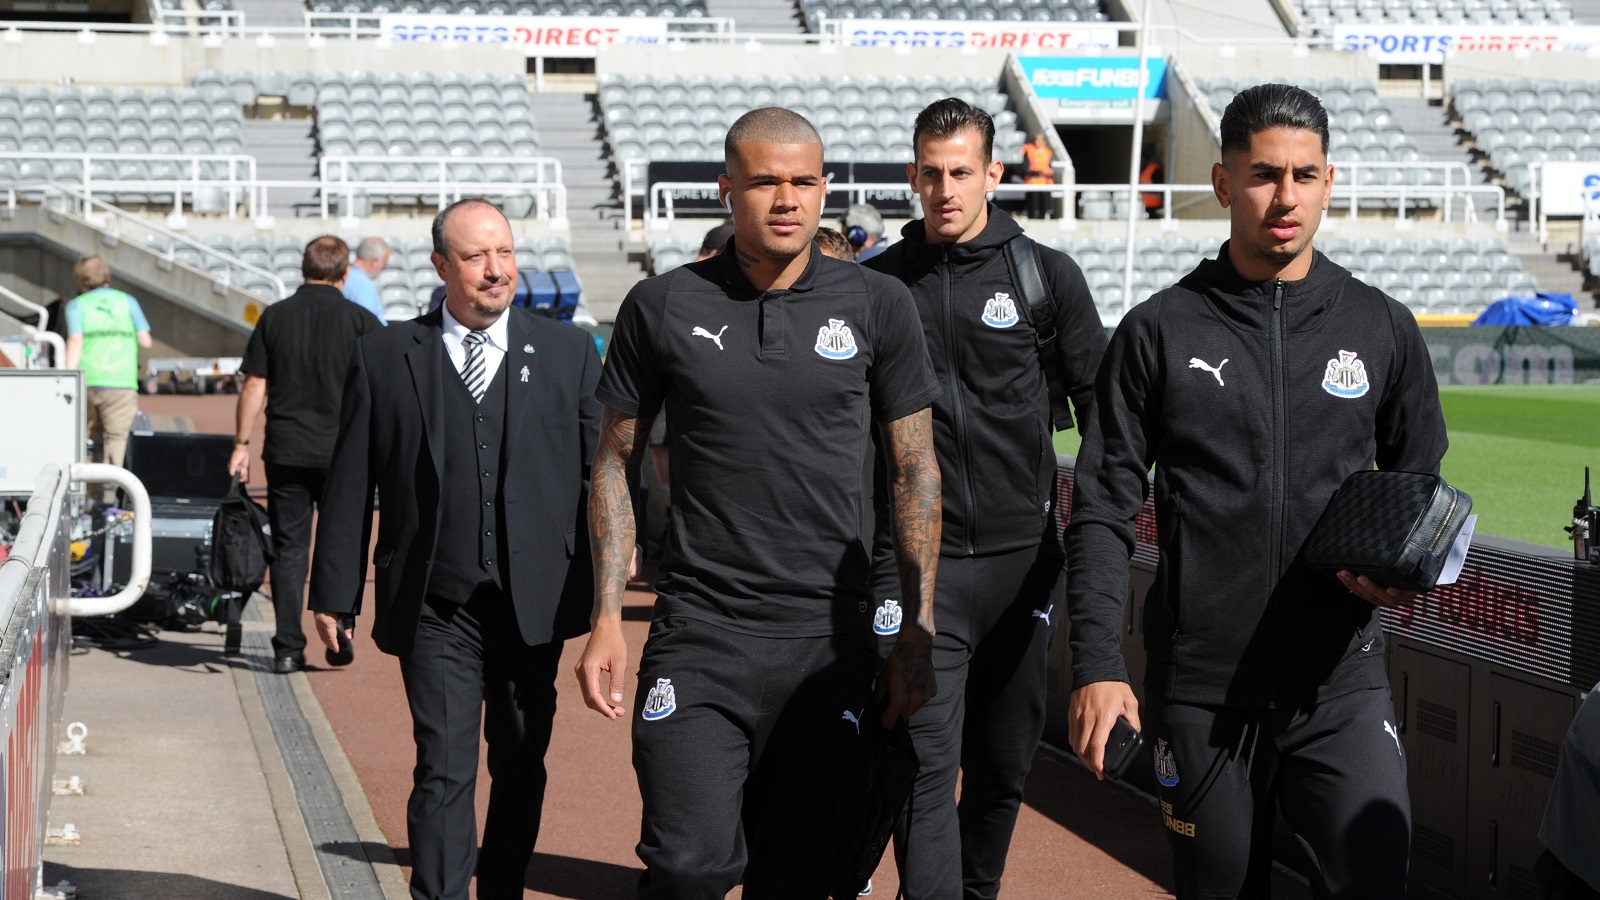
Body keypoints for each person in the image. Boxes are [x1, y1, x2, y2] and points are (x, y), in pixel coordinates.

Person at [1065, 83, 1449, 899]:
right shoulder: (1160, 329)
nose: (1286, 197)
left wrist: (1402, 567)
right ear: (1224, 183)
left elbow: (1420, 485)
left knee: (1377, 881)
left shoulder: (1379, 326)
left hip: (1339, 683)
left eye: (1305, 176)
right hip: (1202, 691)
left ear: (1329, 182)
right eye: (1266, 174)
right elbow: (1100, 509)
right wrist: (1098, 663)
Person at [574, 107, 944, 898]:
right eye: (765, 181)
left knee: (802, 878)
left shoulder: (879, 305)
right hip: (701, 635)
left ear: (824, 188)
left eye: (804, 181)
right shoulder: (663, 304)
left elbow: (914, 471)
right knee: (686, 866)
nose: (787, 198)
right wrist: (606, 612)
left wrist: (916, 627)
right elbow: (613, 462)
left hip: (829, 645)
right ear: (726, 189)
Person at [308, 198, 600, 900]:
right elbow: (352, 480)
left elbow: (603, 479)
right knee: (443, 764)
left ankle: (498, 888)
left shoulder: (567, 353)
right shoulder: (383, 356)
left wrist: (615, 587)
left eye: (504, 253)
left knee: (523, 763)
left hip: (536, 601)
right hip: (436, 601)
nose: (496, 270)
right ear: (441, 266)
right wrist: (334, 593)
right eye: (476, 257)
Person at [861, 97, 1106, 900]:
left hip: (1021, 569)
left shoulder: (1044, 276)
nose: (944, 188)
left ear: (993, 174)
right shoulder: (876, 287)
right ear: (912, 176)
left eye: (960, 172)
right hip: (915, 573)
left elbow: (1104, 414)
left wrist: (1096, 524)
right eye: (929, 173)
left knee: (1002, 768)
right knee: (924, 765)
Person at [228, 235, 383, 673]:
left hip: (287, 448)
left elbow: (254, 384)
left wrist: (242, 443)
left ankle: (287, 647)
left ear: (303, 268)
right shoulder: (363, 321)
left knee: (290, 550)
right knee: (344, 546)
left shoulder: (275, 317)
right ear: (344, 271)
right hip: (345, 454)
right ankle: (342, 632)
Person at [63, 256, 152, 470]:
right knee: (117, 438)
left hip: (88, 381)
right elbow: (146, 341)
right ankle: (113, 493)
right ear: (107, 276)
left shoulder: (76, 305)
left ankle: (88, 494)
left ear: (82, 281)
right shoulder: (127, 301)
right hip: (121, 382)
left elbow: (75, 341)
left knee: (87, 440)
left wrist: (67, 375)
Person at [341, 237, 390, 323]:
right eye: (384, 263)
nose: (383, 268)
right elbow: (370, 324)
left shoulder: (342, 276)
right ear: (374, 261)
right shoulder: (364, 286)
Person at [1020, 132, 1054, 220]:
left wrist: (1050, 171)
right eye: (1038, 139)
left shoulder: (1047, 152)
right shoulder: (1028, 150)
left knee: (1045, 209)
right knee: (1033, 210)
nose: (1040, 142)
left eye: (1042, 140)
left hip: (1045, 184)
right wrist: (1040, 173)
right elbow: (1025, 170)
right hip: (1033, 183)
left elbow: (1048, 166)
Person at [1140, 152, 1166, 219]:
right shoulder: (1147, 169)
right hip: (1145, 203)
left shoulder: (1155, 169)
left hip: (1153, 204)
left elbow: (1159, 185)